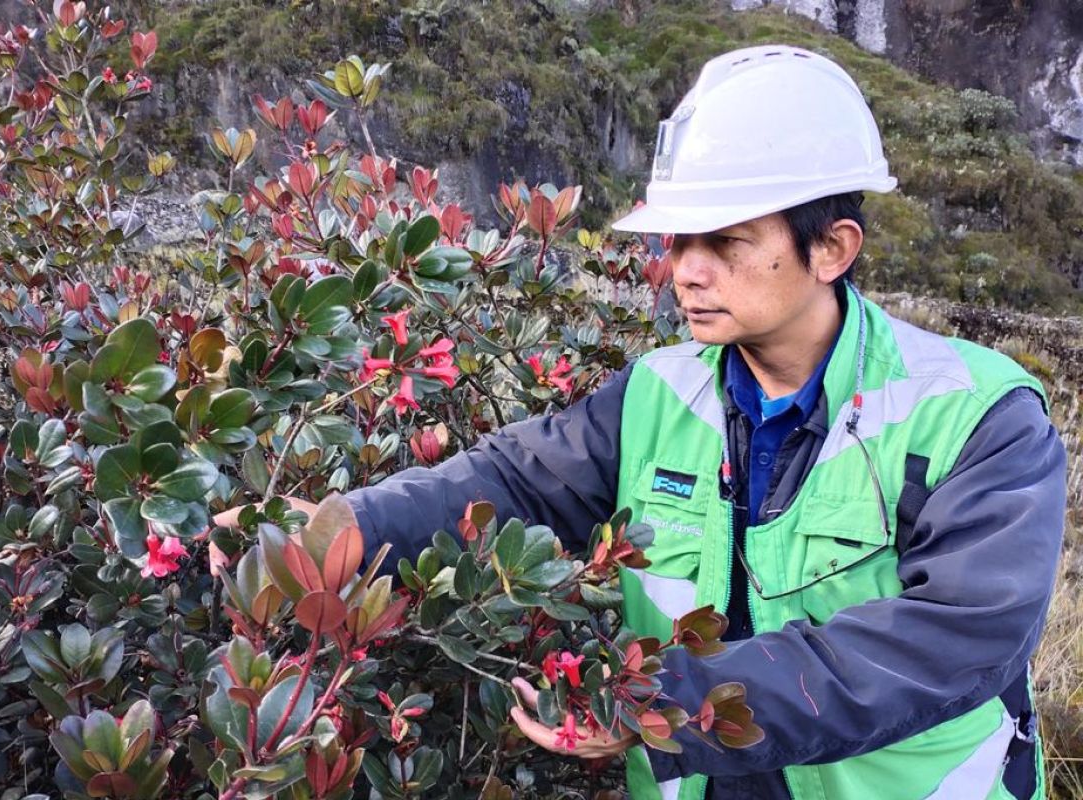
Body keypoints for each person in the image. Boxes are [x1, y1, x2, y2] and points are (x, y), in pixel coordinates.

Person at [251, 45, 1068, 799]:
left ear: (833, 249)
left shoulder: (976, 416)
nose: (686, 270)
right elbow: (510, 483)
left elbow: (950, 640)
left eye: (727, 241)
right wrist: (346, 529)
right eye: (681, 240)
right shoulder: (655, 394)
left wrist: (665, 706)